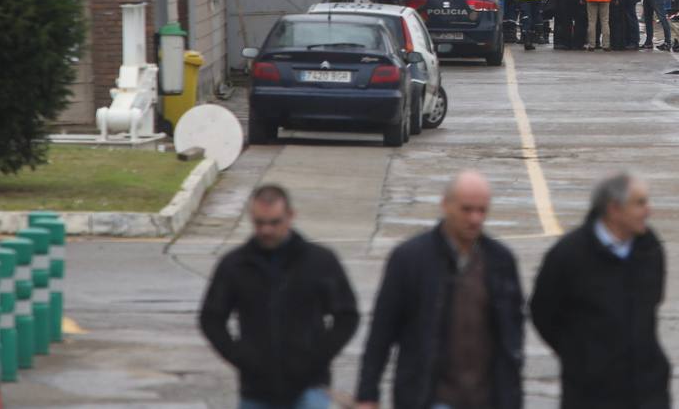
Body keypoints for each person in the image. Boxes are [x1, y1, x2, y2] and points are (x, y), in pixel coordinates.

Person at [356, 171, 525, 409]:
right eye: (467, 209)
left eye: (482, 210)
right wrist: (367, 394)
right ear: (446, 205)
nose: (475, 219)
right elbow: (382, 332)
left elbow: (512, 336)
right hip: (431, 397)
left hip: (488, 398)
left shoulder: (500, 261)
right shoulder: (410, 259)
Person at [200, 185, 359, 409]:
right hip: (256, 390)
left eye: (274, 222)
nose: (266, 230)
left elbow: (347, 315)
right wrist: (241, 357)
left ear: (290, 216)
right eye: (259, 223)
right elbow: (211, 318)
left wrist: (317, 356)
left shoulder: (320, 262)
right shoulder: (235, 265)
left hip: (309, 387)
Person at [531, 174, 670, 409]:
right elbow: (542, 312)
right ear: (614, 209)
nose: (649, 210)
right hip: (591, 393)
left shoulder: (650, 248)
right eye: (640, 203)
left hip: (647, 390)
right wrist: (579, 354)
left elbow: (653, 303)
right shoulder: (569, 255)